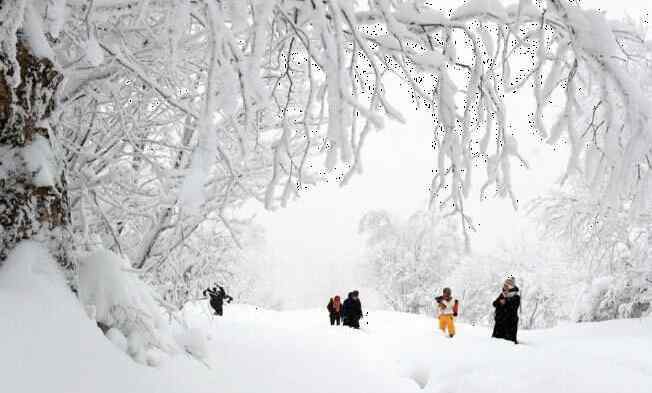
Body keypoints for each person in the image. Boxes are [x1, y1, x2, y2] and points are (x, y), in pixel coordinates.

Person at [492, 276, 520, 343]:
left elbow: (513, 308)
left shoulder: (516, 296)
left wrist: (505, 302)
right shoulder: (502, 295)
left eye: (507, 285)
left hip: (510, 323)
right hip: (499, 322)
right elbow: (494, 304)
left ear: (511, 286)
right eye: (505, 284)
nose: (505, 286)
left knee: (509, 343)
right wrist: (500, 302)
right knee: (495, 342)